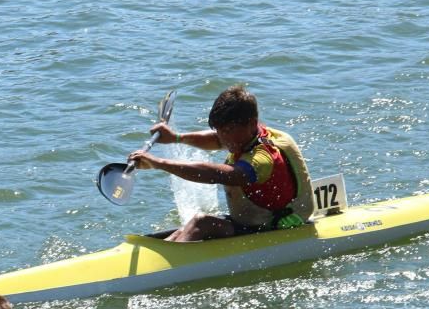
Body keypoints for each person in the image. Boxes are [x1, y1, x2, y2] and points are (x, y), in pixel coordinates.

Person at [128, 84, 314, 242]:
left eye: (228, 130)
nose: (223, 138)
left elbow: (221, 174)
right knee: (182, 229)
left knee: (202, 223)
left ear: (251, 123)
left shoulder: (264, 158)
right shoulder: (251, 134)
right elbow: (217, 140)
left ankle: (163, 269)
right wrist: (176, 137)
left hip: (273, 226)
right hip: (252, 221)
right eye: (220, 130)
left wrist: (159, 163)